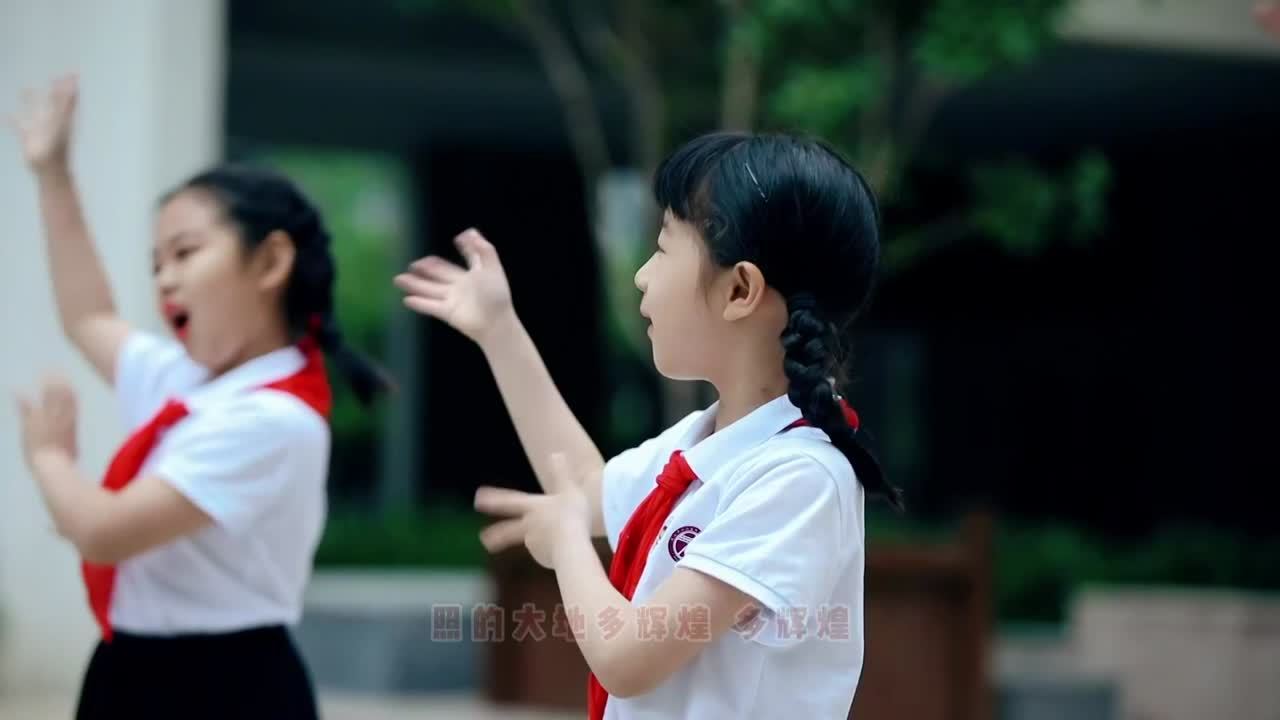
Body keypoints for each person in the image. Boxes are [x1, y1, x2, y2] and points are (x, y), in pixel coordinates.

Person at [395, 130, 901, 719]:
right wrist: (499, 330)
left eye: (662, 248)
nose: (641, 276)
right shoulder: (707, 441)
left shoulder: (800, 476)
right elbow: (585, 487)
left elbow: (628, 657)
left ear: (740, 289)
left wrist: (566, 539)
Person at [10, 74, 390, 719]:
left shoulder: (273, 419)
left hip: (224, 684)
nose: (165, 279)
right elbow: (89, 315)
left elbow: (103, 532)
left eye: (185, 253)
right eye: (156, 264)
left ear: (270, 262)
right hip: (132, 666)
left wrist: (49, 458)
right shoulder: (186, 378)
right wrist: (53, 175)